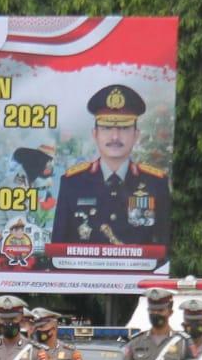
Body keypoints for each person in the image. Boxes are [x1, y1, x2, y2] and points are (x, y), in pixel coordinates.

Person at [52, 84, 171, 248]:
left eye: (123, 128)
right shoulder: (72, 182)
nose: (115, 136)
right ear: (95, 134)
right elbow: (58, 247)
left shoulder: (155, 183)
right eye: (107, 128)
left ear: (136, 135)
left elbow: (164, 246)